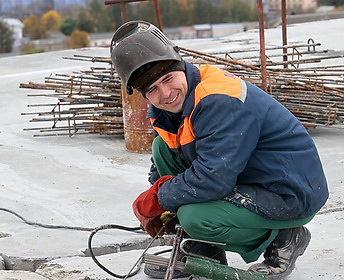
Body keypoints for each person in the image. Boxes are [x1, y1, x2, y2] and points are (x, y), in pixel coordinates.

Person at [110, 20, 329, 279]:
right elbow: (166, 164)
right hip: (250, 176)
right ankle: (202, 249)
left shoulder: (217, 100)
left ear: (180, 64)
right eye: (153, 90)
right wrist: (164, 210)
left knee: (195, 217)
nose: (166, 93)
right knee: (162, 147)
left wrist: (159, 198)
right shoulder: (168, 109)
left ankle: (284, 236)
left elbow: (214, 180)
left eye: (168, 79)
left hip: (288, 191)